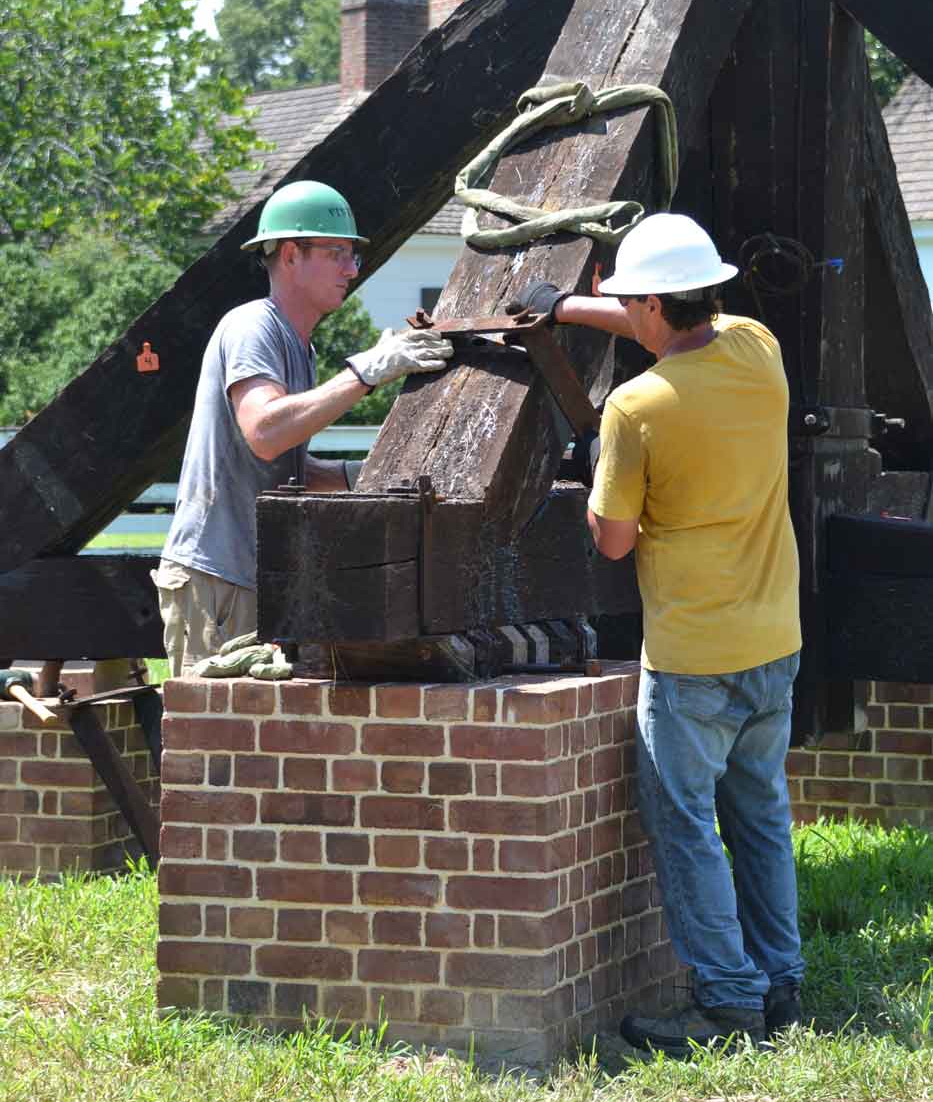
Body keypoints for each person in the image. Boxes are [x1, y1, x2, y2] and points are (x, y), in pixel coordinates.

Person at [515, 212, 803, 1056]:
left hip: (689, 660)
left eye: (628, 301)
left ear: (646, 305)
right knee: (758, 815)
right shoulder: (758, 347)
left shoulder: (634, 408)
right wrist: (569, 308)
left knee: (685, 828)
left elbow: (612, 539)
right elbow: (667, 318)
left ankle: (724, 1005)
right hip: (773, 638)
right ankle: (779, 984)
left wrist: (596, 481)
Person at [152, 180, 453, 676]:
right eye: (337, 253)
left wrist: (364, 474)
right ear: (290, 255)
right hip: (216, 580)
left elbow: (283, 466)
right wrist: (368, 372)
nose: (352, 269)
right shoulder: (254, 327)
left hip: (245, 577)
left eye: (352, 255)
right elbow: (266, 433)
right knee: (215, 744)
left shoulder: (297, 346)